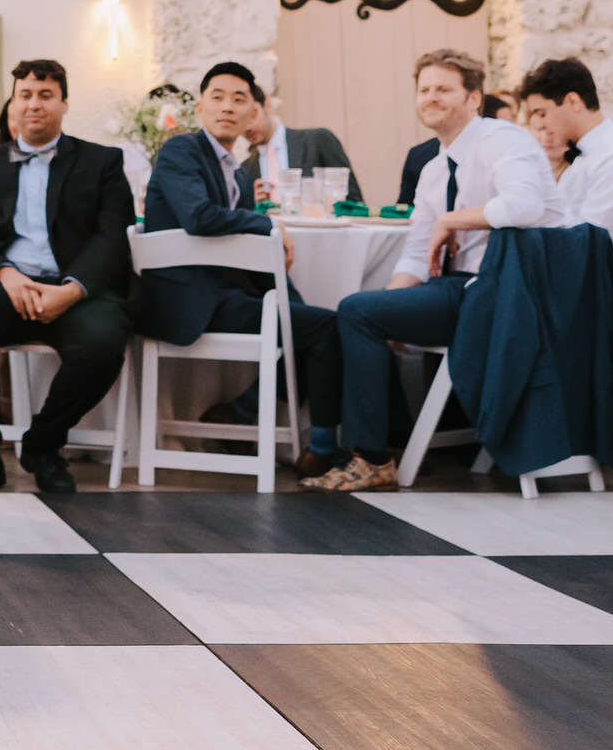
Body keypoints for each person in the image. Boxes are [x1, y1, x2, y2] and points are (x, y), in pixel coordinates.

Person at [305, 50, 570, 492]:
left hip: (508, 293)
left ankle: (372, 459)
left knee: (356, 311)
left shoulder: (503, 140)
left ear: (473, 98)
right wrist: (392, 304)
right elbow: (414, 256)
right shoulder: (432, 170)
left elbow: (525, 205)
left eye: (444, 89)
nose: (431, 97)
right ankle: (376, 446)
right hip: (464, 289)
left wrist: (452, 219)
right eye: (424, 89)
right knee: (359, 312)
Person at [0, 57, 135, 496]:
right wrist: (6, 274)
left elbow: (112, 239)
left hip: (75, 293)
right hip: (6, 288)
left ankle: (44, 445)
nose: (34, 104)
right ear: (13, 103)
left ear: (64, 103)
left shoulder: (101, 162)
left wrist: (71, 291)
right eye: (25, 95)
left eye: (45, 95)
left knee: (106, 342)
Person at [141, 63, 343, 476]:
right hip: (189, 299)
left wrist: (291, 302)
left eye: (239, 99)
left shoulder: (235, 166)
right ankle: (318, 450)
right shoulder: (182, 150)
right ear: (199, 107)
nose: (227, 107)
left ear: (254, 113)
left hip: (225, 293)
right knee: (325, 329)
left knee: (317, 326)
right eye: (217, 97)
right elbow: (198, 217)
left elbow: (246, 247)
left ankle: (242, 413)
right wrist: (267, 222)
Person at [520, 58, 613, 277]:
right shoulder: (588, 155)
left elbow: (590, 241)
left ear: (573, 102)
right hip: (580, 271)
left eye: (542, 113)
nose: (541, 124)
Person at [237, 96, 361, 206]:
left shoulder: (318, 140)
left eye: (252, 115)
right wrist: (251, 204)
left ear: (267, 105)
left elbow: (355, 203)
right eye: (240, 121)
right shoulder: (244, 169)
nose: (247, 127)